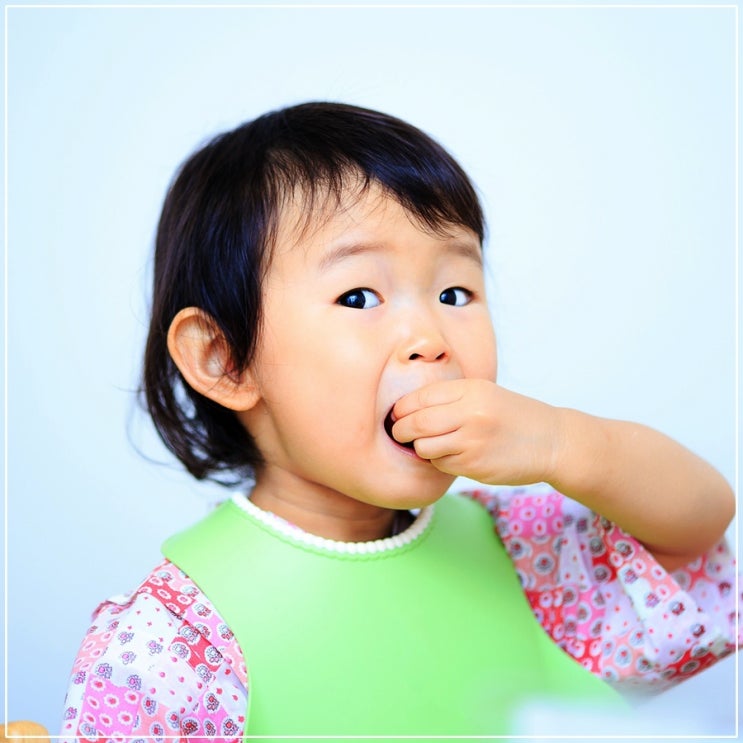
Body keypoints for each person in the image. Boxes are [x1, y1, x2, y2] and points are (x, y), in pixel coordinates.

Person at [60, 102, 738, 740]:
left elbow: (697, 524)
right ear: (226, 359)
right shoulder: (174, 641)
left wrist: (562, 442)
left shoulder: (521, 557)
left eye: (455, 292)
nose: (429, 336)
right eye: (359, 296)